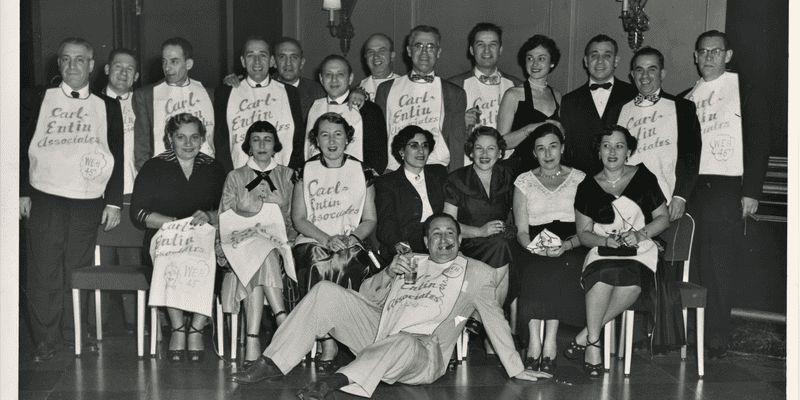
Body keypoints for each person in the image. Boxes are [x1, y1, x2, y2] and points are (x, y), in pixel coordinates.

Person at [228, 213, 552, 399]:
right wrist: (386, 273)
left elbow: (494, 318)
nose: (443, 240)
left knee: (404, 340)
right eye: (435, 234)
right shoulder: (411, 261)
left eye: (449, 233)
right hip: (379, 333)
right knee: (326, 290)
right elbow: (367, 297)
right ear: (426, 241)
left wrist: (517, 367)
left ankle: (338, 381)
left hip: (423, 353)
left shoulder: (477, 273)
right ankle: (272, 363)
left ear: (460, 239)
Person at [20, 37, 124, 361]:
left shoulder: (108, 106)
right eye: (65, 60)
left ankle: (73, 334)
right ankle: (44, 340)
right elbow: (19, 144)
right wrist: (21, 190)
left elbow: (117, 154)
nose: (72, 66)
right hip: (44, 196)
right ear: (59, 64)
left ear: (92, 65)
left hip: (87, 198)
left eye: (80, 60)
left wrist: (114, 201)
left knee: (76, 269)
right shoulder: (40, 98)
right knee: (43, 269)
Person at [678, 30, 770, 359]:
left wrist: (751, 191)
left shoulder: (743, 88)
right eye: (703, 52)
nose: (708, 57)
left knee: (719, 265)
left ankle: (715, 336)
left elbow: (759, 142)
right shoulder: (685, 98)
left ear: (727, 55)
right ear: (695, 56)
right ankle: (690, 333)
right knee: (693, 267)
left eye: (715, 52)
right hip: (693, 190)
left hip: (726, 187)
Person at [566, 126, 670, 378]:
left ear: (629, 151)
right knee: (602, 277)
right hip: (604, 250)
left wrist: (639, 234)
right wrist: (604, 241)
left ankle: (587, 336)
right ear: (598, 151)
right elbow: (583, 234)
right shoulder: (587, 187)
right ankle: (593, 344)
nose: (612, 151)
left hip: (641, 250)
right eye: (606, 145)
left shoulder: (644, 178)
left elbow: (663, 219)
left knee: (630, 284)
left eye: (619, 146)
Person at [130, 113, 226, 362]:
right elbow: (138, 212)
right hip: (165, 237)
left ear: (202, 138)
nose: (188, 143)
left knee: (210, 261)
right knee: (169, 259)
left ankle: (196, 328)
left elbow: (228, 209)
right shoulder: (155, 166)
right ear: (169, 138)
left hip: (204, 239)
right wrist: (174, 224)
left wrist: (210, 214)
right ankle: (177, 328)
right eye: (180, 137)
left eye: (195, 137)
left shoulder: (213, 168)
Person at [290, 112, 379, 374]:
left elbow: (370, 219)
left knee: (347, 261)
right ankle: (328, 341)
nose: (331, 141)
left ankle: (351, 335)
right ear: (316, 139)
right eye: (324, 134)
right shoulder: (305, 170)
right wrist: (326, 239)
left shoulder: (362, 171)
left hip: (351, 240)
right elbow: (298, 218)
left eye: (338, 134)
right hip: (313, 239)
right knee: (320, 262)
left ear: (348, 138)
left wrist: (351, 239)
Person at [219, 121, 296, 367]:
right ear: (248, 146)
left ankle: (253, 340)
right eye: (256, 139)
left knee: (266, 252)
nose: (262, 145)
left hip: (280, 245)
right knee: (259, 251)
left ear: (275, 146)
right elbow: (225, 217)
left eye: (267, 139)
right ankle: (282, 318)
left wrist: (290, 242)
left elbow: (295, 217)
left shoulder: (288, 175)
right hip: (240, 244)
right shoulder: (235, 176)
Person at [512, 123, 587, 373]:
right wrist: (534, 247)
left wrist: (566, 246)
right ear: (534, 153)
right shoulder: (523, 181)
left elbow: (588, 228)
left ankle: (550, 341)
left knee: (560, 267)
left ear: (562, 148)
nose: (547, 154)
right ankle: (535, 342)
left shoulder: (580, 178)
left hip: (572, 241)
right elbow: (521, 231)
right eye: (541, 149)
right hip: (535, 242)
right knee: (533, 268)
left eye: (553, 147)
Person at [604, 46, 702, 222]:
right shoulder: (617, 111)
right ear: (632, 75)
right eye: (639, 70)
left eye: (652, 69)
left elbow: (691, 156)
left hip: (668, 201)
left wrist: (680, 196)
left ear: (662, 74)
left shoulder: (683, 108)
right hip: (624, 202)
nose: (645, 76)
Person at [443, 126, 517, 352]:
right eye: (479, 148)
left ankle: (477, 316)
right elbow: (448, 226)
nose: (485, 154)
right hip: (468, 244)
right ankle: (491, 332)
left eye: (491, 148)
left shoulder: (507, 177)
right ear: (471, 152)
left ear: (500, 152)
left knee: (504, 248)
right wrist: (480, 231)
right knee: (502, 254)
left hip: (500, 242)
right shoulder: (457, 179)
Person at [94, 47, 142, 335]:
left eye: (130, 69)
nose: (123, 73)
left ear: (136, 75)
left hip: (134, 193)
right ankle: (94, 324)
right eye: (118, 67)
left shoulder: (144, 102)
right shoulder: (92, 103)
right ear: (106, 70)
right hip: (101, 195)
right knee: (98, 261)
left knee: (132, 264)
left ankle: (136, 323)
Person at [375, 25, 468, 172]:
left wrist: (455, 181)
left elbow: (456, 146)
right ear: (409, 51)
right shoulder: (386, 89)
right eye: (418, 45)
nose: (424, 51)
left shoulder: (454, 93)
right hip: (394, 172)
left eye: (430, 46)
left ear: (438, 52)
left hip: (436, 172)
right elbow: (377, 140)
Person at [213, 36, 305, 171]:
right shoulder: (225, 93)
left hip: (281, 174)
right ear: (243, 61)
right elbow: (220, 142)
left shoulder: (290, 92)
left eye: (262, 55)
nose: (257, 61)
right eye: (251, 55)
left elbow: (297, 139)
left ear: (271, 60)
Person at [133, 37, 216, 169]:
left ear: (188, 64)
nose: (167, 68)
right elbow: (141, 147)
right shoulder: (146, 95)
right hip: (163, 174)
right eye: (164, 62)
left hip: (203, 170)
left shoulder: (210, 94)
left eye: (174, 61)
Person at [561, 34, 638, 175]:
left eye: (607, 56)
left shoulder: (633, 95)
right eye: (594, 55)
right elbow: (566, 153)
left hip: (625, 180)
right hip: (583, 183)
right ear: (586, 61)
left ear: (616, 61)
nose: (600, 61)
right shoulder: (569, 101)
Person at [448, 22, 522, 165]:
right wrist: (459, 122)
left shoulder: (517, 86)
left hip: (506, 167)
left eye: (493, 44)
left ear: (500, 49)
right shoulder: (453, 85)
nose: (487, 50)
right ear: (471, 49)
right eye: (480, 44)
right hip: (467, 167)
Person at [304, 55, 388, 172]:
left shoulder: (369, 110)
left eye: (340, 74)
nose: (334, 80)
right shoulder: (313, 107)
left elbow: (378, 158)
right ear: (321, 79)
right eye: (328, 74)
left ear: (350, 78)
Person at [375, 125, 448, 259]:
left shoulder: (439, 172)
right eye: (414, 146)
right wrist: (397, 243)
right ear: (402, 151)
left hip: (440, 239)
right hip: (406, 244)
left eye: (425, 146)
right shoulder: (386, 182)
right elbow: (386, 223)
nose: (421, 151)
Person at [496, 34, 562, 177]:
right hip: (521, 171)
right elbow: (501, 143)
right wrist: (529, 129)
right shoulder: (513, 95)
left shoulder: (557, 95)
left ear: (552, 63)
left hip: (550, 169)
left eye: (541, 58)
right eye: (530, 58)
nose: (535, 64)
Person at [273, 37, 326, 120]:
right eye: (282, 57)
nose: (288, 63)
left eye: (294, 57)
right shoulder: (264, 89)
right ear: (274, 62)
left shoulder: (318, 92)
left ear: (302, 63)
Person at [358, 33, 400, 101]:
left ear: (392, 56)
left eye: (382, 51)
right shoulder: (357, 90)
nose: (376, 56)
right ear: (366, 57)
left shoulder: (405, 86)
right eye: (370, 52)